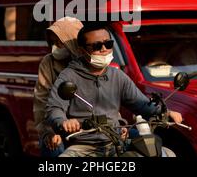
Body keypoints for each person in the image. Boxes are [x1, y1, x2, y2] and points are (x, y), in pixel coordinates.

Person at [46, 23, 183, 157]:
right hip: (83, 145)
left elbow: (141, 103)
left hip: (116, 141)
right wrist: (64, 122)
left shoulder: (117, 76)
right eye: (97, 46)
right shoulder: (69, 76)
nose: (104, 49)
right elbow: (55, 107)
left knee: (166, 154)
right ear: (82, 50)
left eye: (108, 44)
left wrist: (166, 112)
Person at [33, 17, 83, 157]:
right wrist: (49, 131)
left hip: (89, 128)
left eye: (60, 42)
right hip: (58, 126)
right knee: (54, 147)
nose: (55, 46)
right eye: (53, 42)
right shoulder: (48, 63)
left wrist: (118, 124)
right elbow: (41, 101)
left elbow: (107, 98)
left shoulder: (90, 62)